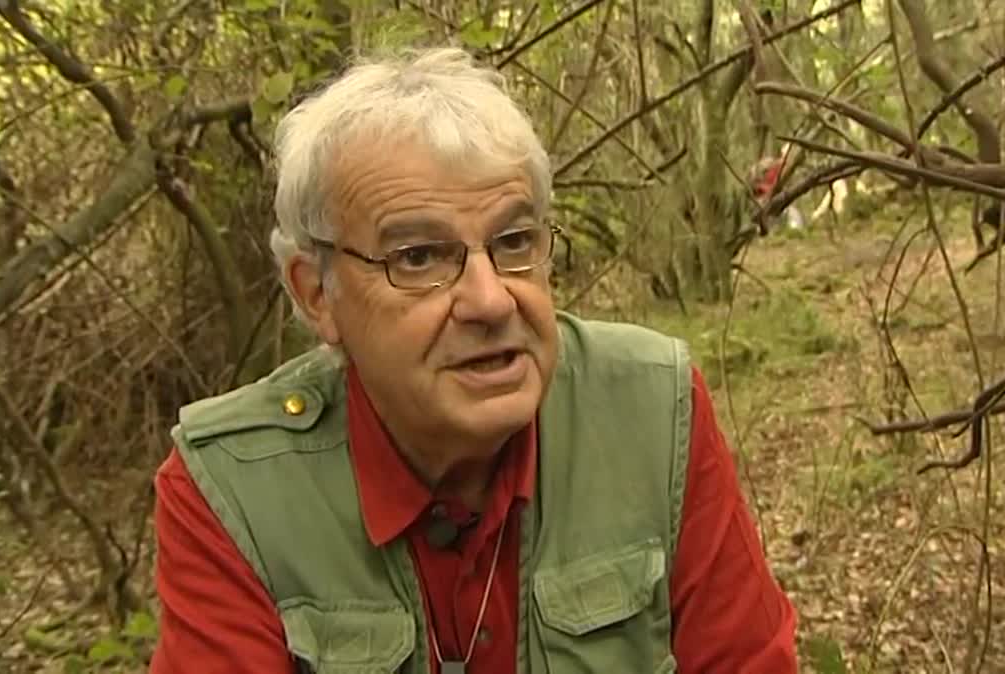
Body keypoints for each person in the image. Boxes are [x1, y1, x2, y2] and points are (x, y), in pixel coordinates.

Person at [149, 47, 799, 674]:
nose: (490, 301)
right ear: (319, 294)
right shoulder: (232, 489)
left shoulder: (653, 410)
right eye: (419, 257)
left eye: (514, 241)